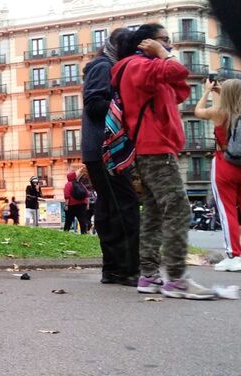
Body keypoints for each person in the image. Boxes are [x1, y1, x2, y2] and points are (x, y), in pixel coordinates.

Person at [116, 23, 214, 299]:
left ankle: (149, 276)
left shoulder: (145, 69)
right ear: (146, 43)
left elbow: (180, 89)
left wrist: (161, 57)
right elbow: (179, 71)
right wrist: (161, 53)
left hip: (154, 147)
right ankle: (176, 279)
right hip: (155, 147)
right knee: (179, 209)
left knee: (155, 214)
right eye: (164, 40)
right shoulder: (138, 65)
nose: (170, 46)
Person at [82, 27, 140, 286]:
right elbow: (94, 103)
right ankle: (126, 269)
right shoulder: (103, 67)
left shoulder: (105, 65)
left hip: (101, 148)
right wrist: (128, 103)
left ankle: (114, 269)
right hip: (105, 148)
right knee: (124, 206)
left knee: (111, 206)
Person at [195, 78, 241, 271]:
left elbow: (197, 111)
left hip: (225, 164)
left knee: (227, 210)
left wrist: (207, 91)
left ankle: (235, 255)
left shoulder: (218, 113)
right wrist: (226, 92)